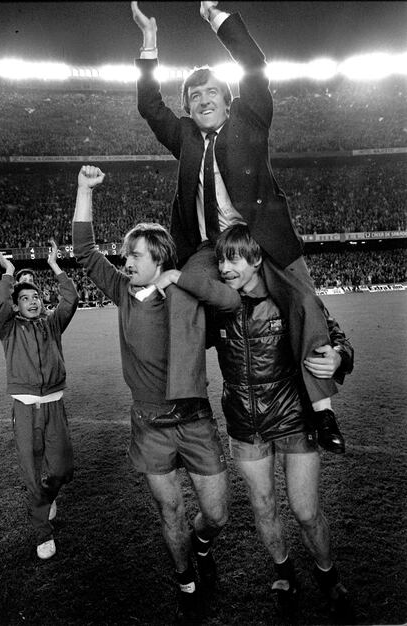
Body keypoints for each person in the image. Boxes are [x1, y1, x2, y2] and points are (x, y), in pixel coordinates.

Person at [132, 0, 347, 455]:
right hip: (211, 247)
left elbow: (254, 65)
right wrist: (149, 46)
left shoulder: (251, 121)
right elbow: (150, 106)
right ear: (188, 107)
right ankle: (187, 402)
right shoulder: (186, 137)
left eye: (212, 93)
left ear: (229, 102)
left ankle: (322, 409)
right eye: (194, 96)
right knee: (183, 298)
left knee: (305, 303)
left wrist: (217, 19)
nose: (203, 100)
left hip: (262, 240)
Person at [154, 224, 355, 622]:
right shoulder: (216, 305)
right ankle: (283, 573)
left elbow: (333, 336)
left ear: (257, 259)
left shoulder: (289, 296)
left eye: (234, 259)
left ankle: (327, 574)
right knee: (263, 508)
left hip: (293, 418)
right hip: (244, 423)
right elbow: (182, 332)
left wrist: (340, 356)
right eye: (221, 260)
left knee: (306, 511)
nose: (225, 269)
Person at [72, 164, 239, 624]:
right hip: (149, 425)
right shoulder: (124, 292)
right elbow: (84, 251)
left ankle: (201, 548)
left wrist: (179, 281)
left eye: (137, 257)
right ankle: (185, 578)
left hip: (195, 419)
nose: (127, 263)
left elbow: (231, 302)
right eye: (126, 256)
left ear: (161, 259)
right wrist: (84, 190)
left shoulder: (184, 293)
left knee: (217, 514)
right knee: (170, 510)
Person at [0, 241, 77, 560]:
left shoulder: (53, 324)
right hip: (25, 409)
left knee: (62, 468)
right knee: (31, 472)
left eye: (36, 297)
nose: (32, 301)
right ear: (16, 306)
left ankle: (47, 495)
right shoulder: (8, 329)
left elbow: (70, 299)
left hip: (54, 405)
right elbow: (0, 300)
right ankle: (43, 532)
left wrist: (56, 267)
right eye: (25, 298)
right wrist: (10, 275)